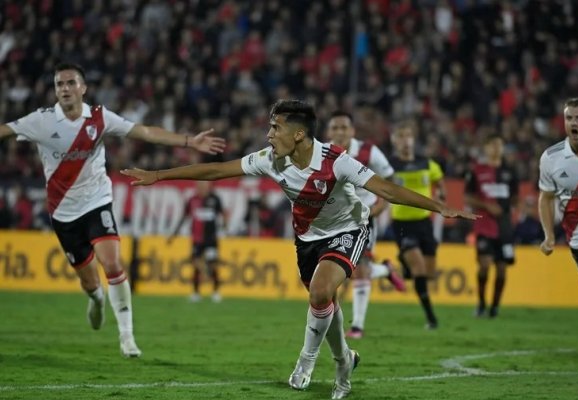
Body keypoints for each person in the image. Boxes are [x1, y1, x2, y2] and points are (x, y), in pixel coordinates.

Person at [121, 99, 477, 398]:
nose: (269, 134)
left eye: (275, 128)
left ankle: (306, 361)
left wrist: (438, 206)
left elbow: (385, 189)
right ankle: (343, 362)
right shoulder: (269, 159)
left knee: (321, 292)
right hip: (307, 239)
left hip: (349, 229)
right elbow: (217, 170)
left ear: (299, 134)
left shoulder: (336, 160)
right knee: (325, 302)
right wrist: (160, 175)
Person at [0, 62, 226, 357]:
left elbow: (144, 131)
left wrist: (187, 140)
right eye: (59, 84)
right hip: (63, 214)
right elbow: (4, 130)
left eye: (70, 83)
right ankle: (96, 300)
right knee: (91, 282)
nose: (65, 89)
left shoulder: (99, 117)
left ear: (83, 88)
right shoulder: (40, 121)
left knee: (113, 264)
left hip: (97, 202)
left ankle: (127, 337)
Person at [326, 110, 406, 340]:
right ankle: (385, 270)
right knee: (342, 270)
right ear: (329, 132)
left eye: (344, 128)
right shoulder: (321, 152)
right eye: (335, 128)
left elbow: (391, 181)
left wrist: (380, 207)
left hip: (365, 217)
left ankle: (357, 327)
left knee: (359, 270)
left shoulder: (369, 152)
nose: (340, 132)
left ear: (352, 131)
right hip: (335, 219)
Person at [538, 97, 578, 331]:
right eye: (569, 118)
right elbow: (545, 197)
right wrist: (549, 236)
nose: (573, 122)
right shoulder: (551, 158)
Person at [388, 121, 446, 330]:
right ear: (395, 141)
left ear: (413, 140)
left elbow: (438, 179)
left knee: (427, 273)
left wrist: (440, 192)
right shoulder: (390, 165)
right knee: (419, 267)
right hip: (403, 223)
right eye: (401, 136)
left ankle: (404, 262)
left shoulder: (426, 163)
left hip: (425, 223)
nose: (405, 140)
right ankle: (431, 317)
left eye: (408, 136)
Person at [465, 134, 519, 318]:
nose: (496, 149)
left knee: (502, 269)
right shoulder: (477, 171)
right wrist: (487, 206)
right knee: (485, 265)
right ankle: (481, 303)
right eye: (493, 145)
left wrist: (512, 210)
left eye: (499, 145)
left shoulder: (509, 172)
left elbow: (516, 197)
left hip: (504, 227)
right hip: (484, 226)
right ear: (486, 148)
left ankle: (495, 307)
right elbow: (468, 197)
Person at [168, 181, 226, 303]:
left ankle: (215, 292)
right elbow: (184, 217)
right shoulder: (192, 200)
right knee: (195, 264)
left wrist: (225, 226)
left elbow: (223, 214)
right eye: (199, 187)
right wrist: (174, 234)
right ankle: (196, 293)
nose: (202, 189)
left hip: (211, 239)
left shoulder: (215, 199)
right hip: (197, 239)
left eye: (204, 187)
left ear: (208, 188)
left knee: (212, 264)